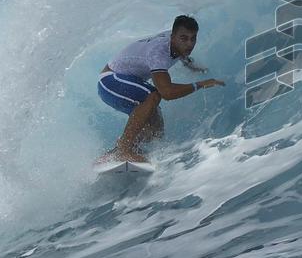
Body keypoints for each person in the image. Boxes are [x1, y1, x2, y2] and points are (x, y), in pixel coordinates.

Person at [96, 15, 225, 162]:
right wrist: (200, 84)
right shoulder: (158, 53)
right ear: (173, 36)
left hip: (130, 82)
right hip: (111, 80)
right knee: (154, 96)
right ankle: (124, 149)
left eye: (193, 39)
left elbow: (179, 50)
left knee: (155, 131)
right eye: (184, 38)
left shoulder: (176, 43)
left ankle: (117, 155)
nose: (189, 44)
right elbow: (167, 93)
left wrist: (190, 65)